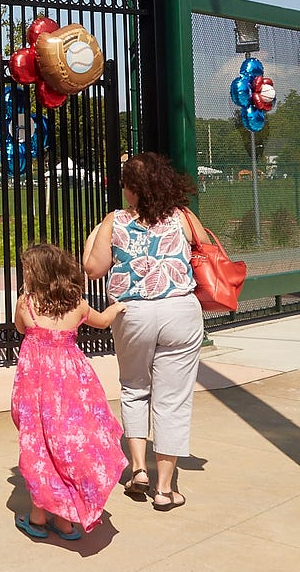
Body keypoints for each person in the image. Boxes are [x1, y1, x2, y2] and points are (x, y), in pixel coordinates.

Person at [82, 152, 207, 513]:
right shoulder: (182, 217)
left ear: (132, 188)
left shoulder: (116, 220)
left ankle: (138, 470)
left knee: (135, 387)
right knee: (173, 400)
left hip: (133, 312)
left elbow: (92, 268)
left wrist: (99, 231)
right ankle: (165, 488)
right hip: (180, 310)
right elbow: (204, 247)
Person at [12, 243, 127, 539]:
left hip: (36, 389)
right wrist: (115, 308)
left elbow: (21, 330)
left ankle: (38, 517)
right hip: (72, 389)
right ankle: (64, 520)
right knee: (69, 446)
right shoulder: (77, 304)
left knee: (40, 447)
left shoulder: (26, 304)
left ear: (36, 274)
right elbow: (102, 322)